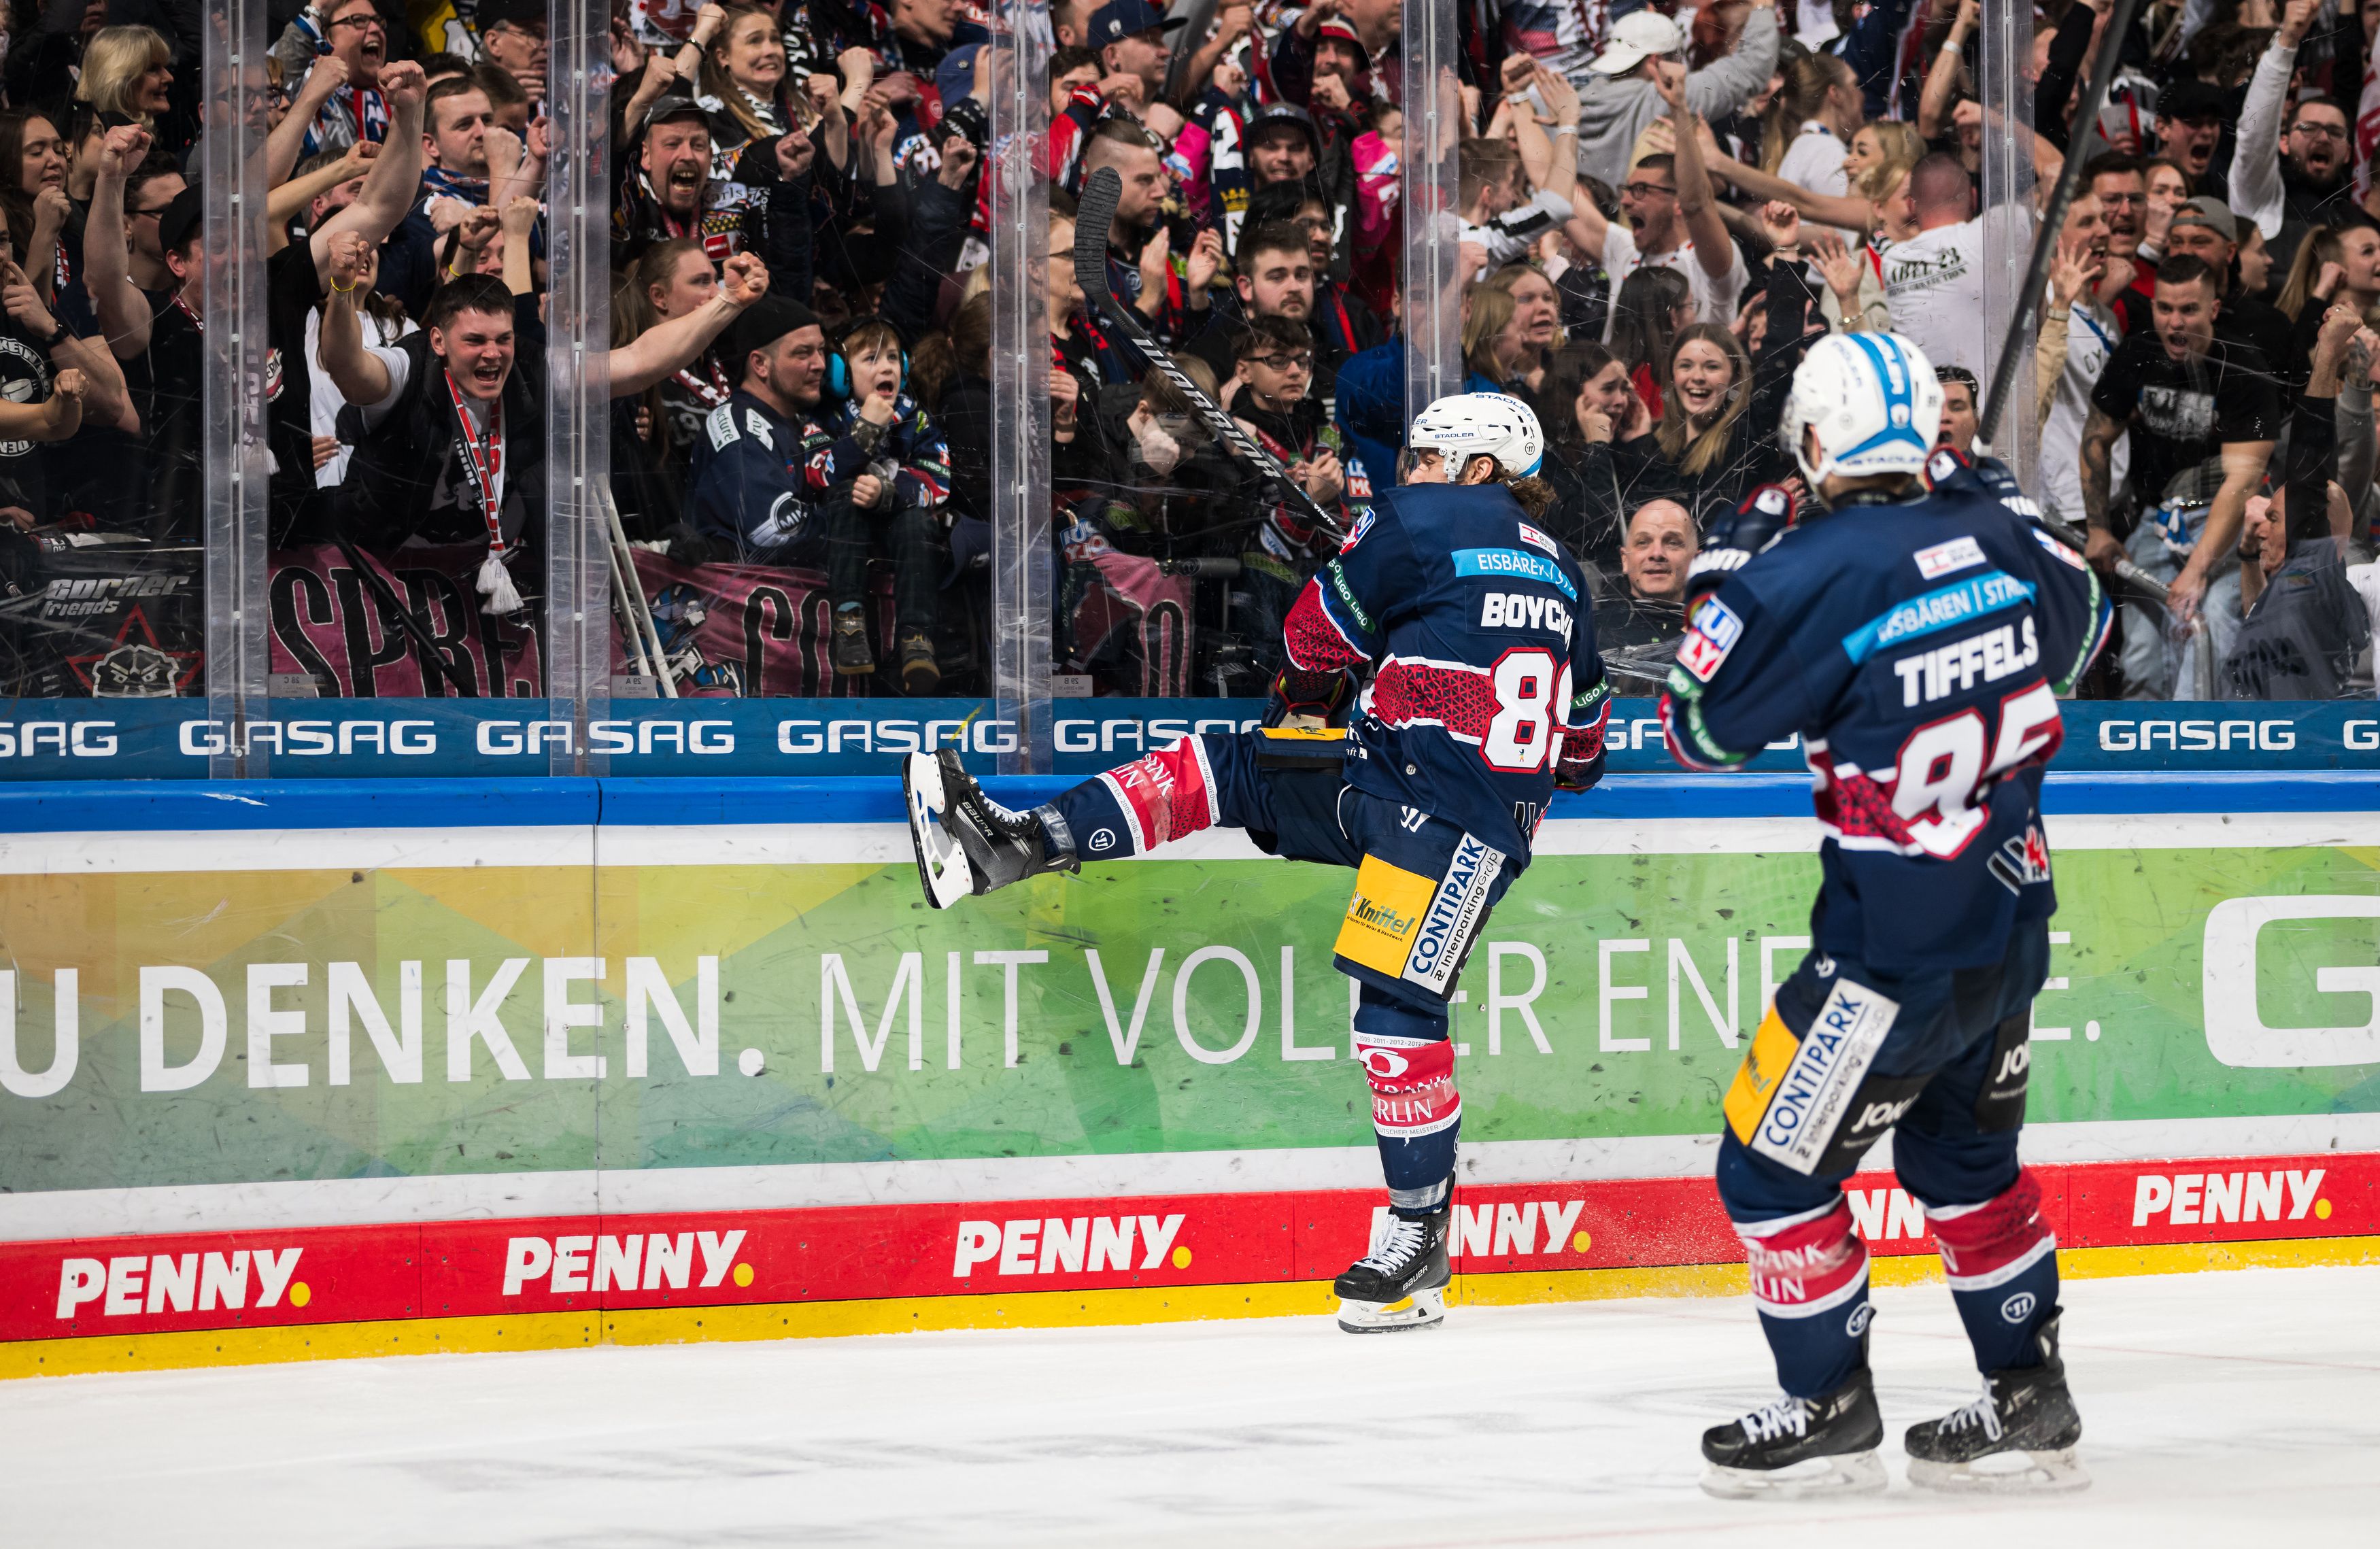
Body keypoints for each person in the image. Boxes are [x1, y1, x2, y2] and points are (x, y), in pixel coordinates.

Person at [904, 392, 1611, 1335]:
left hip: (1432, 824)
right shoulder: (1565, 572)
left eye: (1428, 454)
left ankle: (1417, 1238)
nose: (1409, 469)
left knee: (1394, 1010)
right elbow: (1584, 753)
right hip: (1425, 798)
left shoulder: (1422, 516)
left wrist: (1311, 689)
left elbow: (1313, 640)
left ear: (1477, 469)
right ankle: (1007, 845)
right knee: (1230, 765)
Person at [1661, 329, 2111, 1497]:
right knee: (1965, 1159)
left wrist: (1730, 569)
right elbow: (2094, 621)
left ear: (1814, 440)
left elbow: (1698, 731)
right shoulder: (2006, 533)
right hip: (2011, 929)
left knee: (1769, 1170)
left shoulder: (1808, 571)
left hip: (1883, 965)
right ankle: (2029, 1390)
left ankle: (1828, 1399)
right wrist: (1971, 505)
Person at [2079, 254, 2279, 632]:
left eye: (2189, 310)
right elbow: (2095, 438)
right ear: (2153, 306)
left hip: (2225, 520)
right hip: (2158, 517)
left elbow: (2243, 482)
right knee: (2141, 660)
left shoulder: (2243, 367)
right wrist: (2098, 528)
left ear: (2214, 308)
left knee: (2212, 626)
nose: (2175, 323)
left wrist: (2196, 568)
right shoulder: (2138, 352)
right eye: (2166, 309)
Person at [815, 316, 952, 692]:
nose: (887, 366)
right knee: (844, 497)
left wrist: (889, 492)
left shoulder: (916, 417)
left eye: (893, 357)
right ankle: (849, 623)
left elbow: (938, 479)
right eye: (871, 359)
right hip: (846, 529)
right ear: (841, 373)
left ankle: (916, 639)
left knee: (918, 522)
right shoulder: (827, 416)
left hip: (897, 528)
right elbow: (818, 474)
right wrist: (866, 431)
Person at [1598, 498, 1696, 653]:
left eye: (1672, 542)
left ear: (1697, 561)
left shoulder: (1719, 637)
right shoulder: (1592, 634)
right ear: (1625, 560)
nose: (1657, 554)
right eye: (1643, 542)